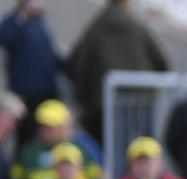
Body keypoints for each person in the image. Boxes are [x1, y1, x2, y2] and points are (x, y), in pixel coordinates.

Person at [66, 0, 169, 144]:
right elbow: (162, 63)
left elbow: (77, 63)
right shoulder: (137, 27)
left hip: (104, 105)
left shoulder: (96, 27)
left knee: (110, 151)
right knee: (142, 151)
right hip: (140, 103)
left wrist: (82, 99)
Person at [11, 100, 102, 179]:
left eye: (51, 126)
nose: (46, 130)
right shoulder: (29, 154)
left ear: (64, 125)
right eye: (43, 125)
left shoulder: (83, 150)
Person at [0, 0, 61, 146]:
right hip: (25, 93)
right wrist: (22, 16)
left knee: (48, 132)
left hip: (46, 91)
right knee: (26, 138)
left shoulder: (40, 22)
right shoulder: (15, 20)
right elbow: (4, 37)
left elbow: (50, 53)